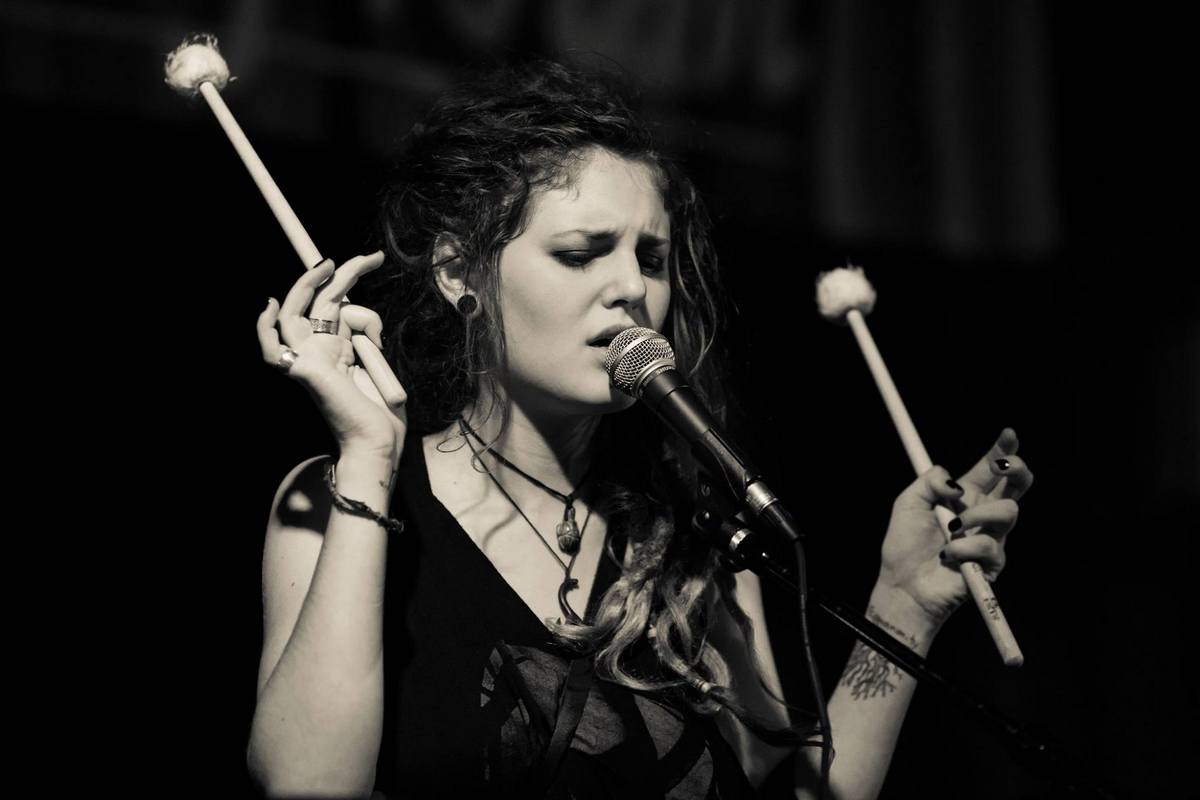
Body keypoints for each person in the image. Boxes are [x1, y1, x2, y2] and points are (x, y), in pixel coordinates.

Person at [247, 60, 1032, 799]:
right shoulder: (339, 500)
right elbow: (309, 784)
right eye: (581, 253)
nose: (631, 287)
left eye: (651, 259)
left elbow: (792, 790)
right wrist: (368, 457)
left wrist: (904, 606)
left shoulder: (695, 534)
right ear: (459, 272)